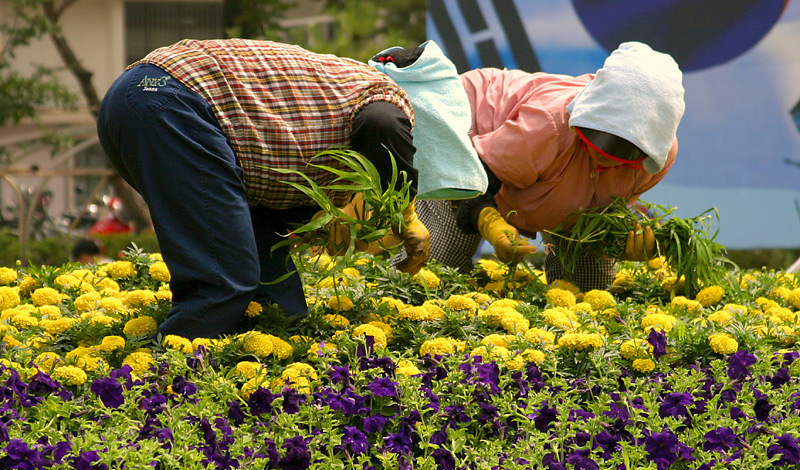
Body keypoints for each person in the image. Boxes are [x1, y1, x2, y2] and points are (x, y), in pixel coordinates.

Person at [96, 39, 431, 340]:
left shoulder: (316, 129)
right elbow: (383, 124)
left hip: (141, 101)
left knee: (280, 305)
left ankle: (264, 390)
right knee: (222, 283)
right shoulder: (385, 95)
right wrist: (405, 214)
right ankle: (157, 387)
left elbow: (269, 206)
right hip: (170, 102)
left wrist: (327, 223)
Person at [407, 41, 685, 291]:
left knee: (588, 291)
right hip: (470, 146)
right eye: (600, 134)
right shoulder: (549, 125)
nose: (607, 155)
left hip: (539, 173)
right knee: (435, 274)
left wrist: (624, 242)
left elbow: (597, 207)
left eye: (623, 148)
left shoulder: (656, 160)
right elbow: (472, 176)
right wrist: (488, 220)